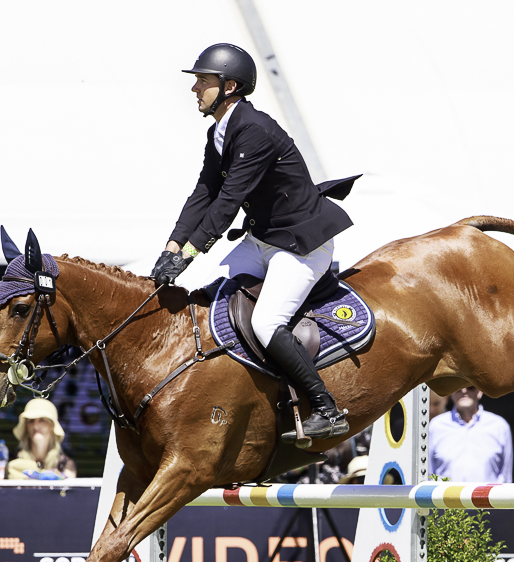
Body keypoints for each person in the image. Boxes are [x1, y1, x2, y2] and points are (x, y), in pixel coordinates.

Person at [152, 43, 359, 442]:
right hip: (264, 239)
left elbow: (228, 202)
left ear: (230, 86)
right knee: (212, 297)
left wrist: (191, 253)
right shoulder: (220, 131)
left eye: (202, 81)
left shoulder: (255, 130)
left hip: (301, 245)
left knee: (266, 322)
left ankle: (326, 409)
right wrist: (172, 248)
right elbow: (204, 193)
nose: (195, 88)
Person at [428, 386, 513, 483]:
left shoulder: (500, 426)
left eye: (470, 387)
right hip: (445, 498)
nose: (464, 391)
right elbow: (428, 475)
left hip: (486, 498)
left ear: (480, 391)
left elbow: (506, 478)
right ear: (450, 392)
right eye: (458, 387)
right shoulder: (435, 426)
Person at [7, 398, 76, 480]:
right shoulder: (13, 458)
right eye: (31, 421)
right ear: (26, 427)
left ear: (52, 427)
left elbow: (68, 489)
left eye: (42, 420)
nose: (35, 426)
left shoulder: (65, 464)